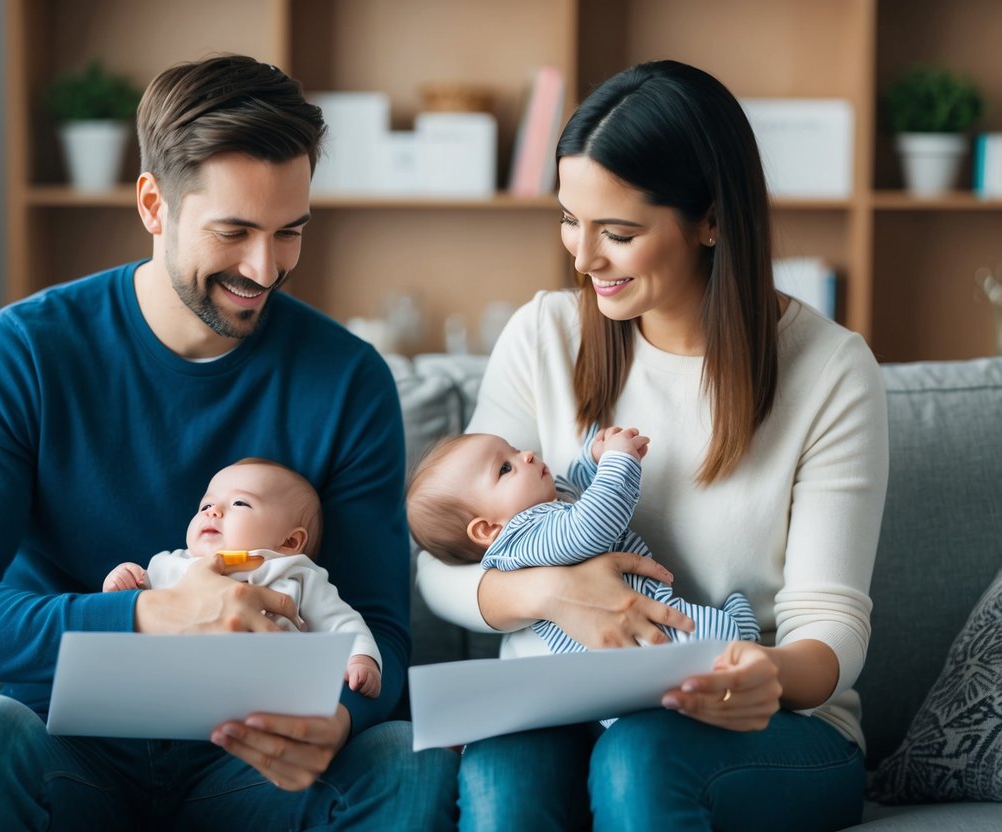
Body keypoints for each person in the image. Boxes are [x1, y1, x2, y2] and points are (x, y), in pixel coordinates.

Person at [0, 54, 457, 830]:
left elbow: (381, 629)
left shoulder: (346, 378)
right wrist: (148, 617)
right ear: (154, 204)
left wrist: (342, 722)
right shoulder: (27, 352)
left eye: (289, 232)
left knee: (404, 757)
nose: (266, 267)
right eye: (234, 232)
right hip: (67, 749)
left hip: (254, 766)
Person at [416, 59, 888, 832]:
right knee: (504, 772)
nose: (582, 258)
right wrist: (546, 594)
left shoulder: (830, 371)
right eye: (569, 219)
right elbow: (443, 564)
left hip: (769, 723)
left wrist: (762, 672)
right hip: (566, 701)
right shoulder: (545, 335)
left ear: (709, 220)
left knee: (639, 757)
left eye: (619, 233)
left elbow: (829, 626)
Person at [406, 426, 759, 661]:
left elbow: (573, 487)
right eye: (505, 469)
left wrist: (592, 459)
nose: (526, 455)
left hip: (628, 636)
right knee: (719, 636)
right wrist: (618, 461)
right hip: (629, 646)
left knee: (716, 636)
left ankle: (738, 628)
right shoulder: (523, 538)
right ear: (487, 530)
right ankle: (741, 628)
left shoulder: (546, 508)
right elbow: (592, 526)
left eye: (514, 451)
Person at [103, 458, 382, 697]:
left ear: (289, 541)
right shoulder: (171, 564)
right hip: (169, 693)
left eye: (239, 503)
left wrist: (361, 658)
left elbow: (342, 622)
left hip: (267, 706)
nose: (213, 511)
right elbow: (135, 609)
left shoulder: (297, 575)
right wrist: (123, 580)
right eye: (205, 506)